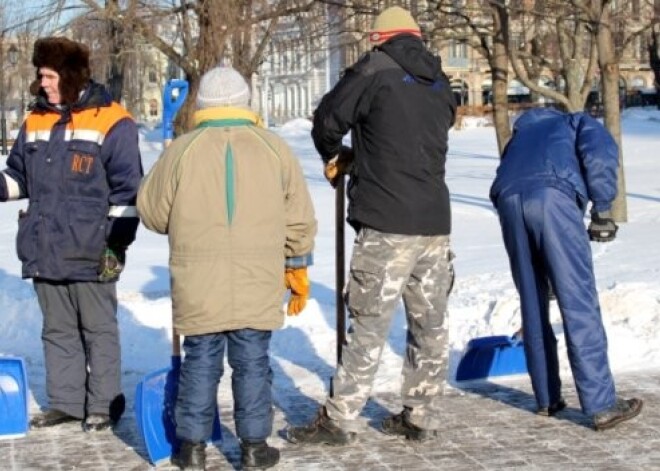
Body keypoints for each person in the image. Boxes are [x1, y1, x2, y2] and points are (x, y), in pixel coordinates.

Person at [286, 6, 456, 445]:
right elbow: (412, 136)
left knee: (368, 326)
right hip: (435, 222)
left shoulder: (375, 67)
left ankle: (340, 419)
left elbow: (327, 119)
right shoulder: (440, 80)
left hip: (387, 220)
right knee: (430, 323)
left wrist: (337, 153)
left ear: (380, 38)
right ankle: (420, 414)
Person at [137, 65, 317, 470]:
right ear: (244, 102)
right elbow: (299, 218)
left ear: (202, 105)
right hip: (258, 278)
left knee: (200, 361)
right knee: (252, 361)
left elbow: (151, 212)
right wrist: (297, 263)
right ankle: (254, 448)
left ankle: (192, 449)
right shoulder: (274, 148)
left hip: (198, 280)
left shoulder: (182, 149)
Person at [0, 37, 143, 432]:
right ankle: (66, 402)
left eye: (48, 75)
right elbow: (17, 177)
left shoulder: (114, 121)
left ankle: (103, 404)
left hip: (92, 249)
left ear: (70, 75)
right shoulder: (35, 121)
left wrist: (117, 245)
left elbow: (128, 191)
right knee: (57, 329)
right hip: (44, 247)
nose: (42, 83)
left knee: (98, 329)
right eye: (40, 75)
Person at [489, 107, 643, 430]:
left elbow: (508, 170)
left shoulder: (520, 135)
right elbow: (600, 152)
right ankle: (602, 404)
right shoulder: (575, 121)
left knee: (533, 299)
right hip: (553, 197)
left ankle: (547, 398)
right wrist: (602, 209)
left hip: (507, 200)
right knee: (578, 298)